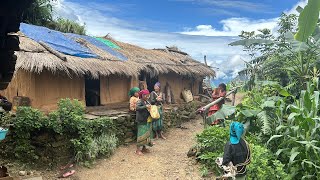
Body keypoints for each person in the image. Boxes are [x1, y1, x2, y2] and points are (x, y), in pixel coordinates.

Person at [135, 89, 153, 155]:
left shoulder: (147, 101)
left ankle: (144, 148)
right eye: (145, 95)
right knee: (141, 135)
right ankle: (137, 150)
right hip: (141, 120)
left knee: (146, 135)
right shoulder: (139, 101)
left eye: (148, 95)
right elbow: (137, 108)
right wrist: (145, 106)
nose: (147, 96)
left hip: (147, 120)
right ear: (142, 95)